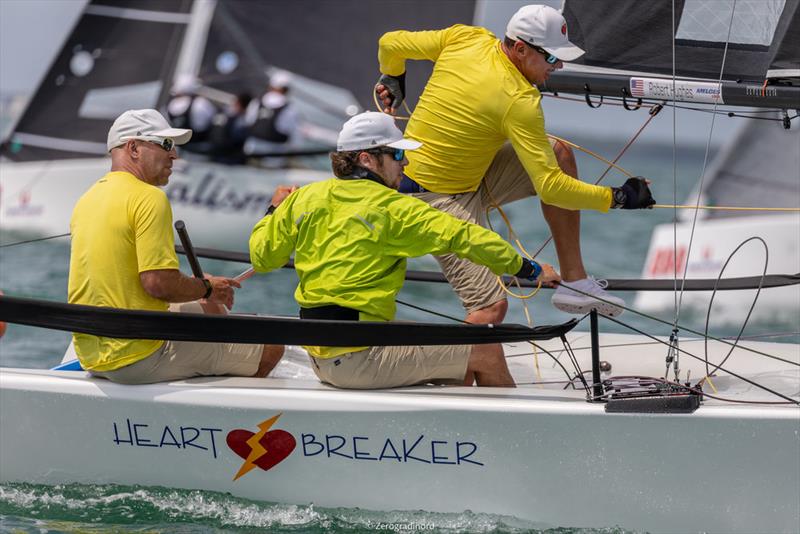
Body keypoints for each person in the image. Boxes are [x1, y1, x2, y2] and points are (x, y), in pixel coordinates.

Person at [374, 4, 656, 330]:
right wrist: (619, 197)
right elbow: (550, 188)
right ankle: (456, 377)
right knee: (491, 309)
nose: (559, 65)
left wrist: (392, 75)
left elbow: (390, 43)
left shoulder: (467, 38)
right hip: (432, 201)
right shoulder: (520, 101)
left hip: (470, 178)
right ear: (520, 49)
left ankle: (575, 284)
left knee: (559, 153)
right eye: (551, 57)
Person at [249, 112, 560, 390]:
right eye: (398, 154)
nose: (406, 163)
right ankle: (512, 441)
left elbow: (262, 259)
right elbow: (466, 237)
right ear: (366, 159)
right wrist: (530, 270)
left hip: (322, 357)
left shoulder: (305, 198)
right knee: (484, 349)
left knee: (455, 352)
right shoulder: (393, 208)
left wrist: (272, 210)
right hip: (358, 361)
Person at [68, 109, 284, 384]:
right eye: (166, 145)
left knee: (209, 307)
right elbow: (158, 284)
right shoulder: (149, 198)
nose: (174, 156)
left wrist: (204, 287)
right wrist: (208, 287)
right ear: (133, 148)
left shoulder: (88, 198)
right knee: (272, 344)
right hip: (137, 356)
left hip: (91, 354)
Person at [244, 70, 299, 165]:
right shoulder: (290, 109)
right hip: (273, 158)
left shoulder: (256, 102)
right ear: (286, 90)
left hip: (252, 151)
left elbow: (248, 122)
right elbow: (294, 136)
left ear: (271, 86)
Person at [166, 74, 218, 153]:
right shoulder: (201, 103)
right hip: (199, 147)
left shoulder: (171, 105)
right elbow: (213, 118)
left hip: (178, 147)